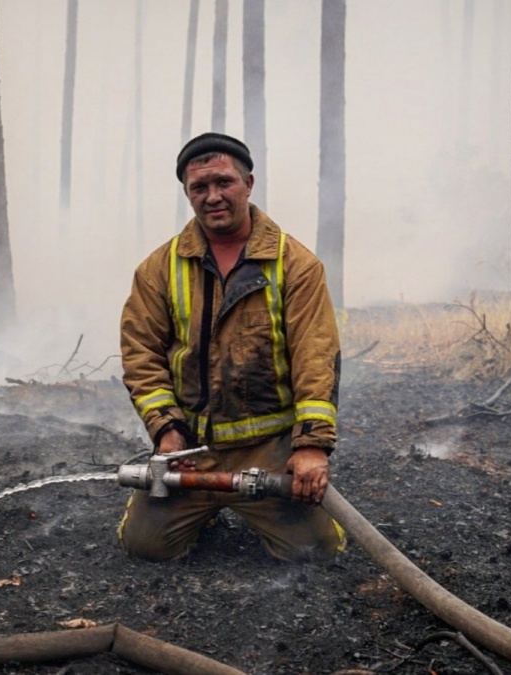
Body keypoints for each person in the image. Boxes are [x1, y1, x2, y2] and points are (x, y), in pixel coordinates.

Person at [117, 132, 345, 562]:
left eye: (224, 182)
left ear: (248, 184)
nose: (213, 196)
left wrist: (311, 446)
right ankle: (199, 511)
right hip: (191, 452)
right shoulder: (158, 270)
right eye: (199, 188)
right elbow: (140, 355)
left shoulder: (296, 265)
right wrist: (166, 430)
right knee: (144, 548)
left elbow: (316, 359)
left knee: (317, 553)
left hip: (270, 452)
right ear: (187, 193)